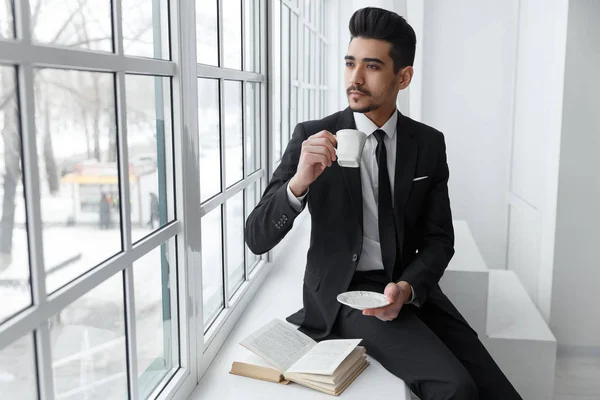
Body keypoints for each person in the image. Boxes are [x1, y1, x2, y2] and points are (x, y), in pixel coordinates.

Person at [245, 7, 522, 400]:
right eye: (350, 63)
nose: (355, 79)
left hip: (408, 288)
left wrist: (408, 288)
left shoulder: (427, 144)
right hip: (345, 295)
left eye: (372, 66)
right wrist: (299, 181)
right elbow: (256, 237)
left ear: (403, 76)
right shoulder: (312, 136)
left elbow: (440, 238)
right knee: (454, 387)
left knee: (498, 390)